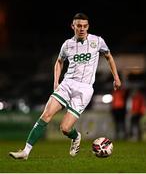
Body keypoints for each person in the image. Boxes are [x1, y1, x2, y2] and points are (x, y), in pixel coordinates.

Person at [9, 12, 121, 160]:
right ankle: (25, 152)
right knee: (46, 114)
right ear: (72, 26)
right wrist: (56, 82)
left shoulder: (97, 41)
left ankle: (75, 137)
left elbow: (109, 56)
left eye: (85, 26)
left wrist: (116, 77)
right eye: (79, 26)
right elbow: (59, 61)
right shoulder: (67, 44)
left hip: (85, 89)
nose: (82, 29)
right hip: (67, 84)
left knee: (65, 128)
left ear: (88, 27)